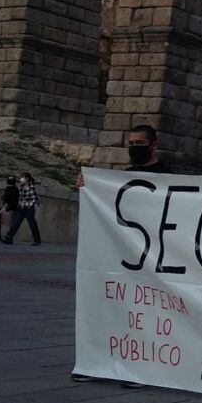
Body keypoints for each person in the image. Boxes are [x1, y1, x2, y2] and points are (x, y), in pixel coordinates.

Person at [72, 125, 170, 386]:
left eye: (139, 142)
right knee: (109, 308)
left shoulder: (168, 176)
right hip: (120, 256)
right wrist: (88, 187)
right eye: (131, 142)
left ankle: (141, 366)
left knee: (145, 314)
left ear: (154, 144)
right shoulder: (123, 177)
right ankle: (95, 361)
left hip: (150, 258)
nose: (134, 147)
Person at [2, 173, 41, 245]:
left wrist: (31, 205)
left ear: (27, 179)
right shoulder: (20, 186)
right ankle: (9, 238)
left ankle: (37, 240)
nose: (21, 179)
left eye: (22, 177)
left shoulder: (31, 186)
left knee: (32, 224)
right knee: (16, 223)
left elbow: (34, 198)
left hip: (29, 209)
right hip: (21, 208)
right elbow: (19, 198)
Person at [0, 177, 20, 242]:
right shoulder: (15, 189)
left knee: (7, 222)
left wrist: (6, 207)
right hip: (9, 207)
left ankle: (5, 237)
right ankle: (2, 237)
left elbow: (10, 200)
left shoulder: (10, 189)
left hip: (9, 208)